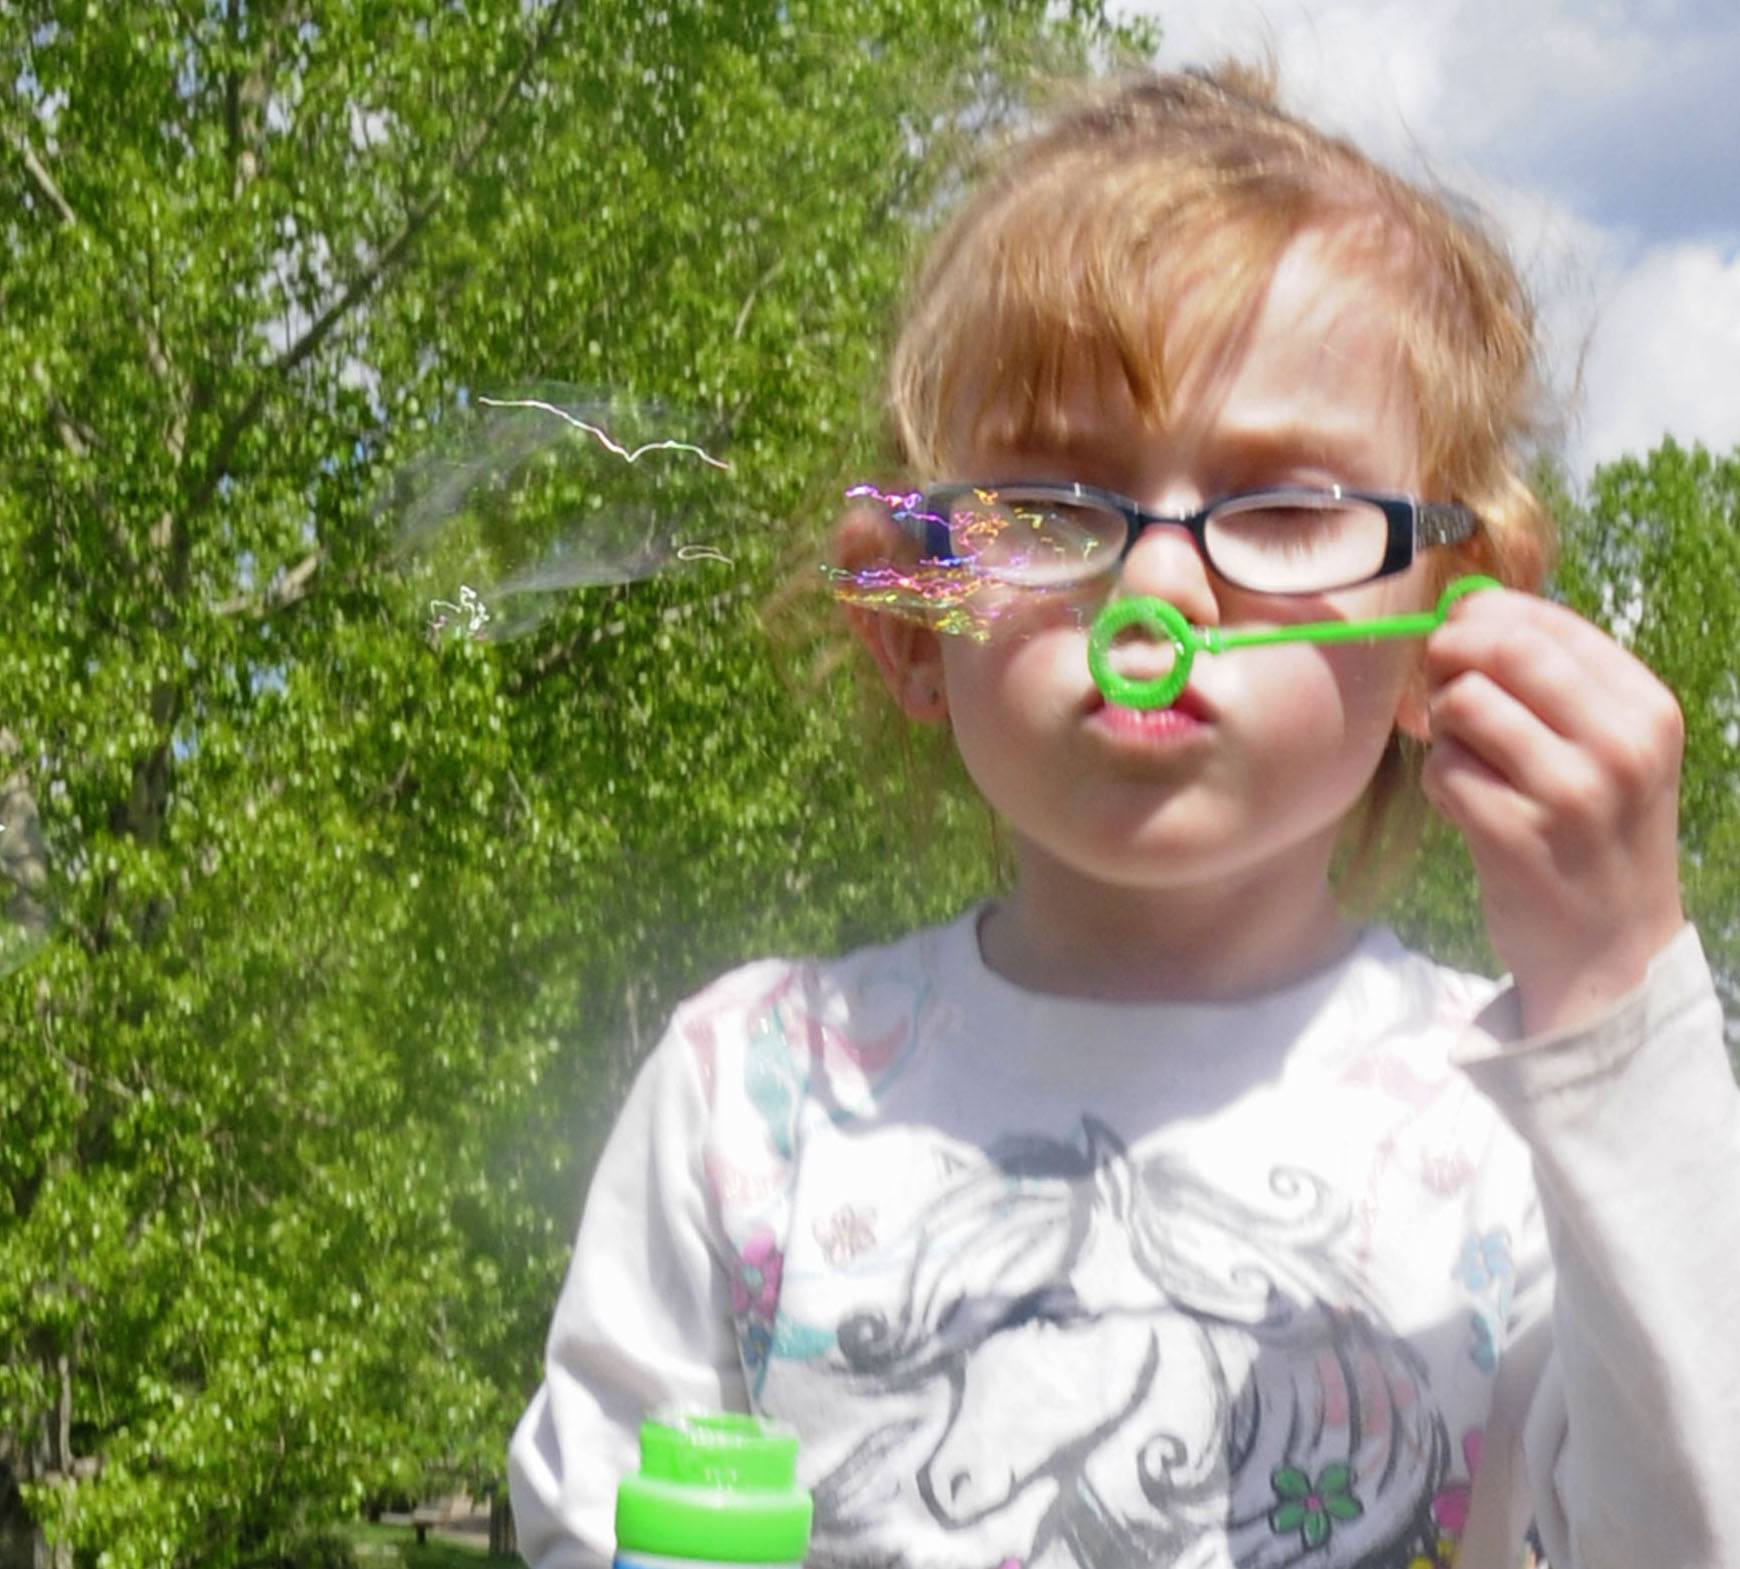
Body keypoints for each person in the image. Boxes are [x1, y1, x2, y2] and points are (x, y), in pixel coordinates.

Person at [508, 65, 1739, 1569]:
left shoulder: (1520, 1131)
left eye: (1284, 506)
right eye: (1048, 503)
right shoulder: (751, 1096)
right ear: (911, 610)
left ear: (1452, 625)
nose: (1157, 592)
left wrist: (1616, 1003)